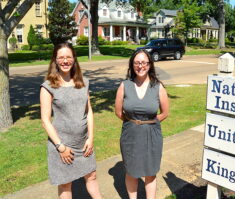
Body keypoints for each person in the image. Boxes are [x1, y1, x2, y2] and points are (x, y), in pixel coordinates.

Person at [40, 43, 102, 199]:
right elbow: (45, 120)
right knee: (65, 184)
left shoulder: (84, 82)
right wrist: (61, 147)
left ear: (74, 59)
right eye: (61, 57)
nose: (65, 61)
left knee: (92, 176)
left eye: (68, 57)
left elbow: (89, 112)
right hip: (62, 145)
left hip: (84, 144)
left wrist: (91, 138)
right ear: (55, 60)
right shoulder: (48, 86)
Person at [115, 49, 169, 199]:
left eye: (144, 62)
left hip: (152, 134)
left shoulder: (158, 87)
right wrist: (133, 122)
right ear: (132, 65)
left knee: (150, 172)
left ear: (150, 65)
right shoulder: (124, 85)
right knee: (132, 172)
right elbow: (119, 112)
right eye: (137, 63)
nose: (140, 66)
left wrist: (148, 123)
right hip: (130, 134)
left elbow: (164, 113)